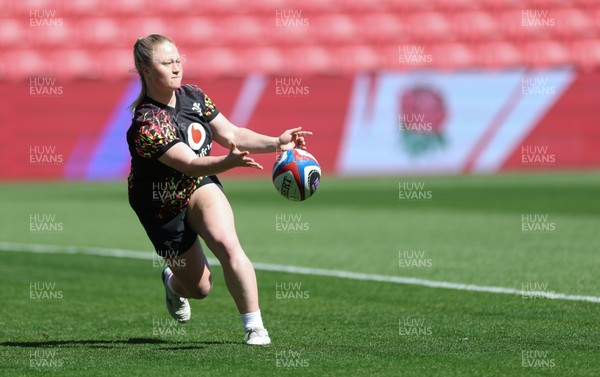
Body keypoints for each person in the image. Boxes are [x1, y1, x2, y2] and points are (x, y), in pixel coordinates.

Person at [126, 34, 311, 345]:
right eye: (166, 63)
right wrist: (228, 162)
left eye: (178, 60)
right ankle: (173, 283)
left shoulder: (194, 96)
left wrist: (277, 143)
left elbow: (232, 133)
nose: (175, 68)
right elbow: (187, 163)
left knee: (227, 243)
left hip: (199, 187)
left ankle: (255, 327)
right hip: (161, 205)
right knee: (200, 289)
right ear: (146, 71)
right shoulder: (147, 123)